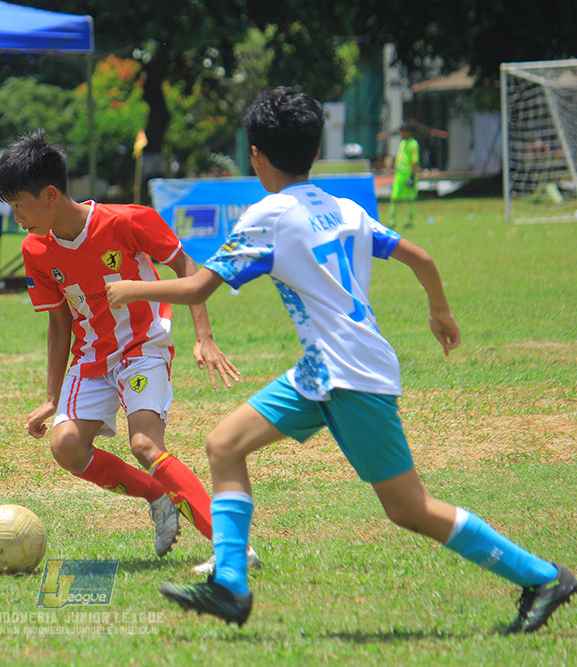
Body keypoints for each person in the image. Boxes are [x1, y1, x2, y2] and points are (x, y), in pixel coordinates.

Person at [106, 87, 575, 632]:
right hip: (323, 372)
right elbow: (419, 257)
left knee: (409, 508)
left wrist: (130, 290)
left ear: (256, 154)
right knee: (224, 445)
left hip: (350, 376)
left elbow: (197, 288)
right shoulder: (345, 208)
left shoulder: (268, 215)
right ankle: (231, 586)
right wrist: (440, 312)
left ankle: (543, 576)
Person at [0, 130, 261, 566]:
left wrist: (203, 336)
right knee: (66, 447)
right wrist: (50, 398)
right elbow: (59, 321)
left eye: (19, 205)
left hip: (142, 345)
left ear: (51, 194)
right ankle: (158, 496)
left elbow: (186, 265)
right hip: (91, 358)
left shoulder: (127, 220)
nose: (17, 217)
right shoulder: (35, 249)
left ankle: (234, 551)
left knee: (145, 446)